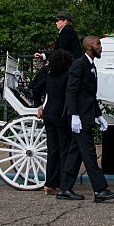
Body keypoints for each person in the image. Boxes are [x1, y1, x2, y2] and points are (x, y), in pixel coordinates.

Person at [58, 36, 114, 203]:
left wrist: (99, 115)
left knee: (74, 154)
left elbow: (89, 95)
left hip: (86, 115)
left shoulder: (91, 64)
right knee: (89, 154)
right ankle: (100, 190)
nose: (101, 47)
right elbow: (71, 91)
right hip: (80, 118)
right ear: (89, 46)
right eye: (98, 44)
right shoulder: (79, 64)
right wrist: (74, 115)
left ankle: (64, 188)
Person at [38, 49, 73, 194]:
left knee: (52, 150)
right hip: (61, 114)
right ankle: (63, 183)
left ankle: (49, 183)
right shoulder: (67, 76)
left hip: (49, 113)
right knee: (64, 149)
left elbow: (38, 89)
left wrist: (39, 105)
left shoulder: (49, 75)